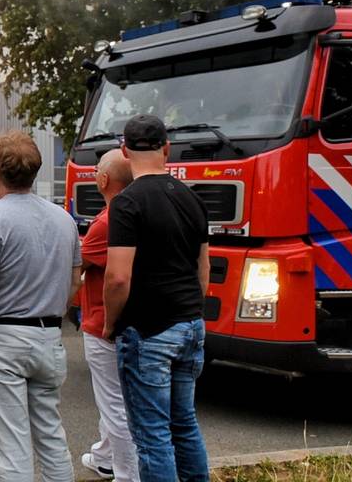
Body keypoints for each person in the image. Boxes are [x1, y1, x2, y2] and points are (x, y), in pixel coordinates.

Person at [0, 130, 81, 482]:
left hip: (3, 339)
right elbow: (74, 282)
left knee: (13, 445)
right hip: (48, 337)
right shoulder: (64, 219)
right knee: (51, 437)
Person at [102, 114, 210, 482]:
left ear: (124, 151)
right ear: (167, 148)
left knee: (152, 436)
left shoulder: (127, 203)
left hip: (148, 330)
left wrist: (110, 322)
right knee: (185, 424)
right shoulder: (192, 198)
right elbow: (203, 268)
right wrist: (191, 310)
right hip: (190, 324)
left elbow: (118, 277)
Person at [79, 149, 139, 482]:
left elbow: (80, 262)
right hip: (137, 318)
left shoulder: (106, 222)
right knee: (117, 397)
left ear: (103, 180)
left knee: (115, 403)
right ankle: (104, 457)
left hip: (103, 321)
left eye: (95, 171)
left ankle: (127, 474)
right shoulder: (138, 211)